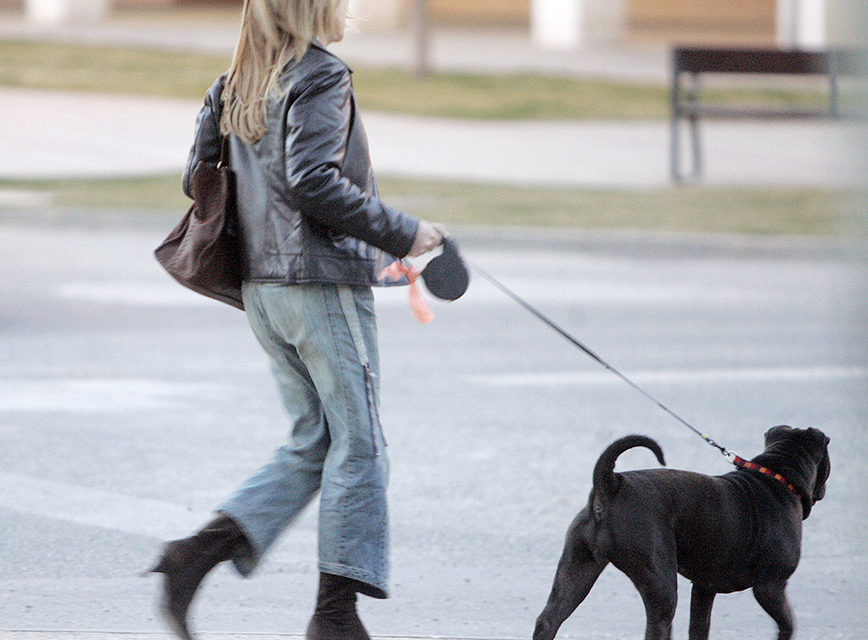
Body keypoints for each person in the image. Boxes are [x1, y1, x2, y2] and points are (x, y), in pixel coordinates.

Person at [146, 1, 447, 639]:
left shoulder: (233, 84)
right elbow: (315, 183)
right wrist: (407, 232)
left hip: (263, 290)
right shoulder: (321, 76)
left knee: (316, 441)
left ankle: (192, 558)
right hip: (318, 289)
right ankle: (335, 619)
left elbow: (194, 180)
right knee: (360, 446)